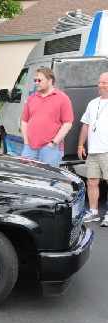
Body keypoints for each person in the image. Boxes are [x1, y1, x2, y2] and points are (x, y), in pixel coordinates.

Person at [20, 67, 74, 167]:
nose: (36, 83)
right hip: (30, 148)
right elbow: (24, 121)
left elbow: (68, 123)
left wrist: (53, 143)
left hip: (50, 149)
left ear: (50, 80)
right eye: (35, 80)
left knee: (48, 180)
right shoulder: (32, 98)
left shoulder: (62, 98)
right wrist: (26, 142)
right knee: (26, 179)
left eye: (39, 80)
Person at [78, 71, 108, 226]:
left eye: (104, 82)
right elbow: (86, 125)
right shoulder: (92, 103)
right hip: (93, 151)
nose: (101, 85)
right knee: (91, 181)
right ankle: (94, 212)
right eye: (99, 83)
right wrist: (81, 145)